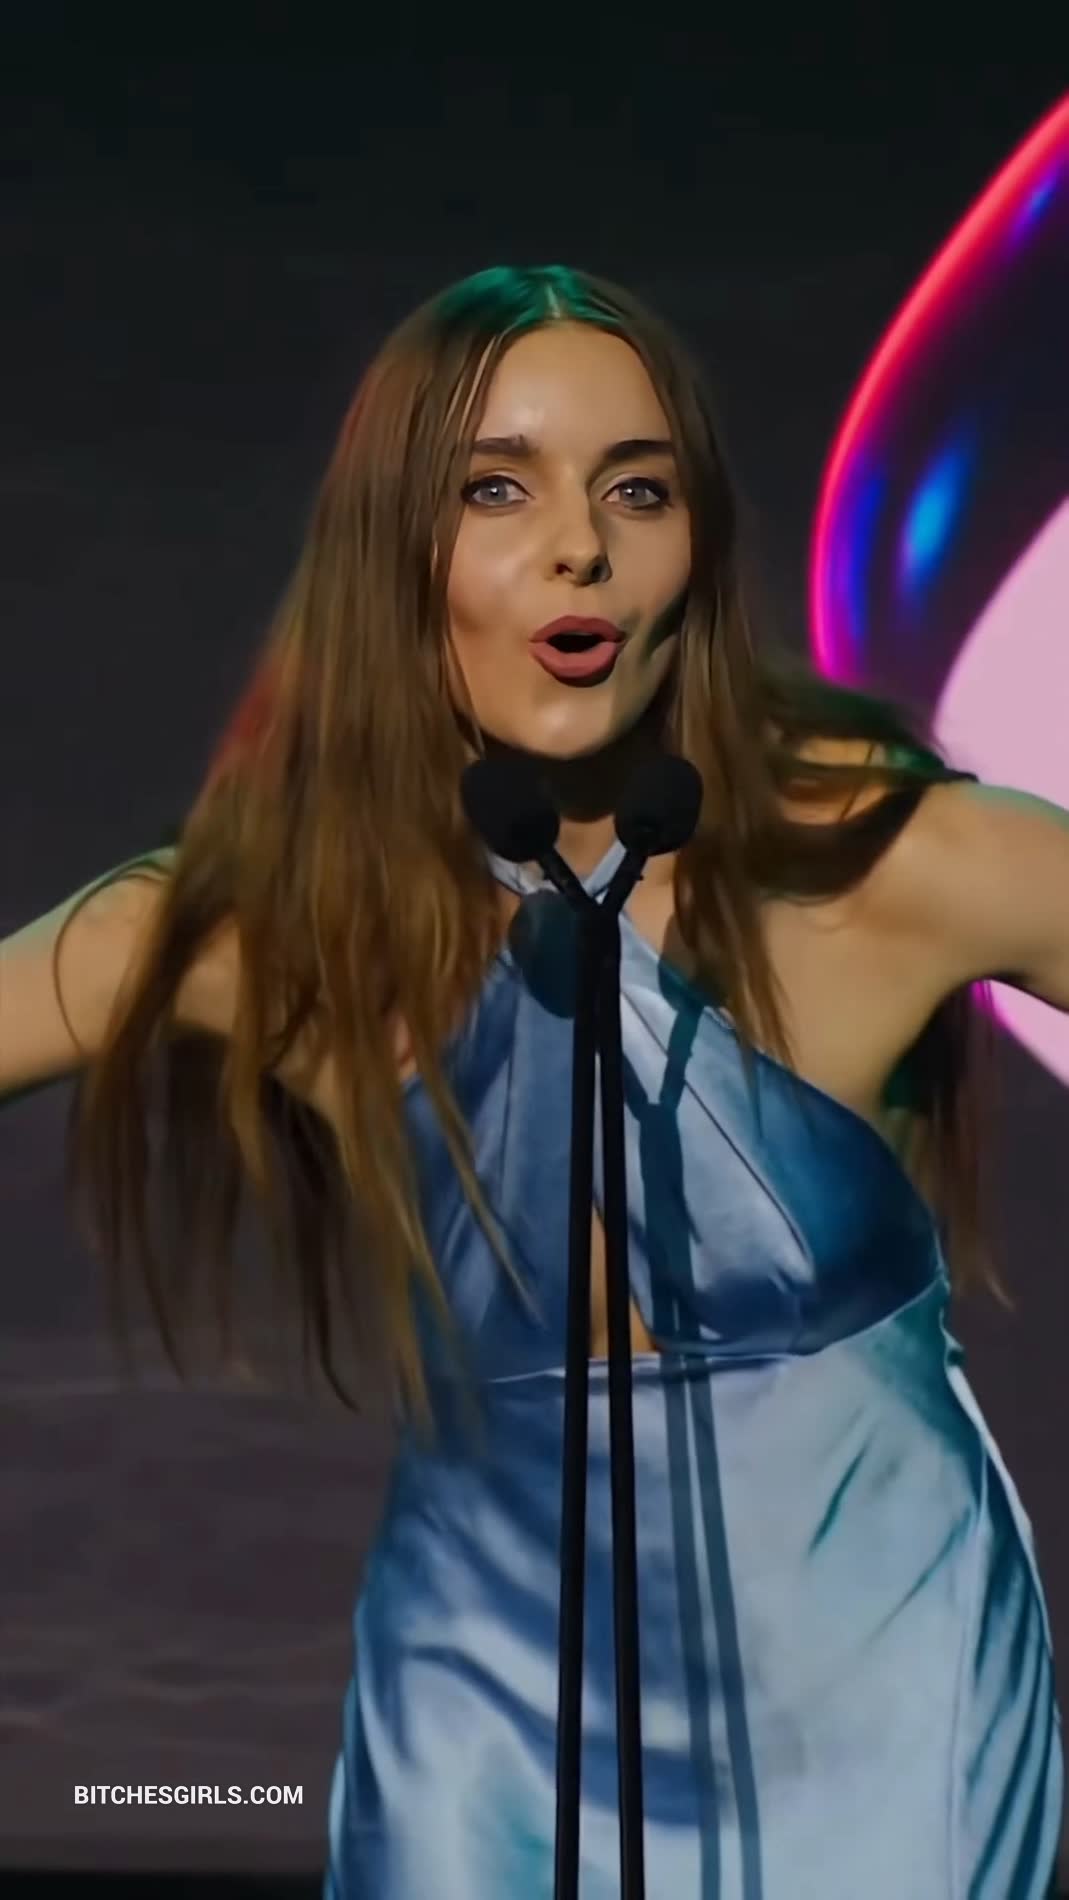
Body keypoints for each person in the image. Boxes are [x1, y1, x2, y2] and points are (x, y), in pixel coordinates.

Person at [1, 263, 1066, 1897]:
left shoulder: (885, 862)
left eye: (635, 491)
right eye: (497, 489)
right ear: (391, 550)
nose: (579, 546)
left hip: (885, 1703)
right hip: (486, 1713)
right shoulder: (277, 927)